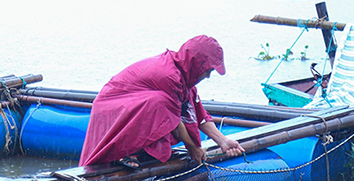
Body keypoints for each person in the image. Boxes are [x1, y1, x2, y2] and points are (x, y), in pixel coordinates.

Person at [79, 35, 245, 168]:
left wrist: (223, 141)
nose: (208, 76)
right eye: (207, 71)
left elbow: (200, 116)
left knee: (166, 106)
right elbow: (173, 121)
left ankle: (140, 151)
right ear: (197, 66)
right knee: (160, 103)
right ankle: (125, 152)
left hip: (132, 109)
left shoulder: (185, 82)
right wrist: (193, 148)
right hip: (112, 109)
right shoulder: (169, 77)